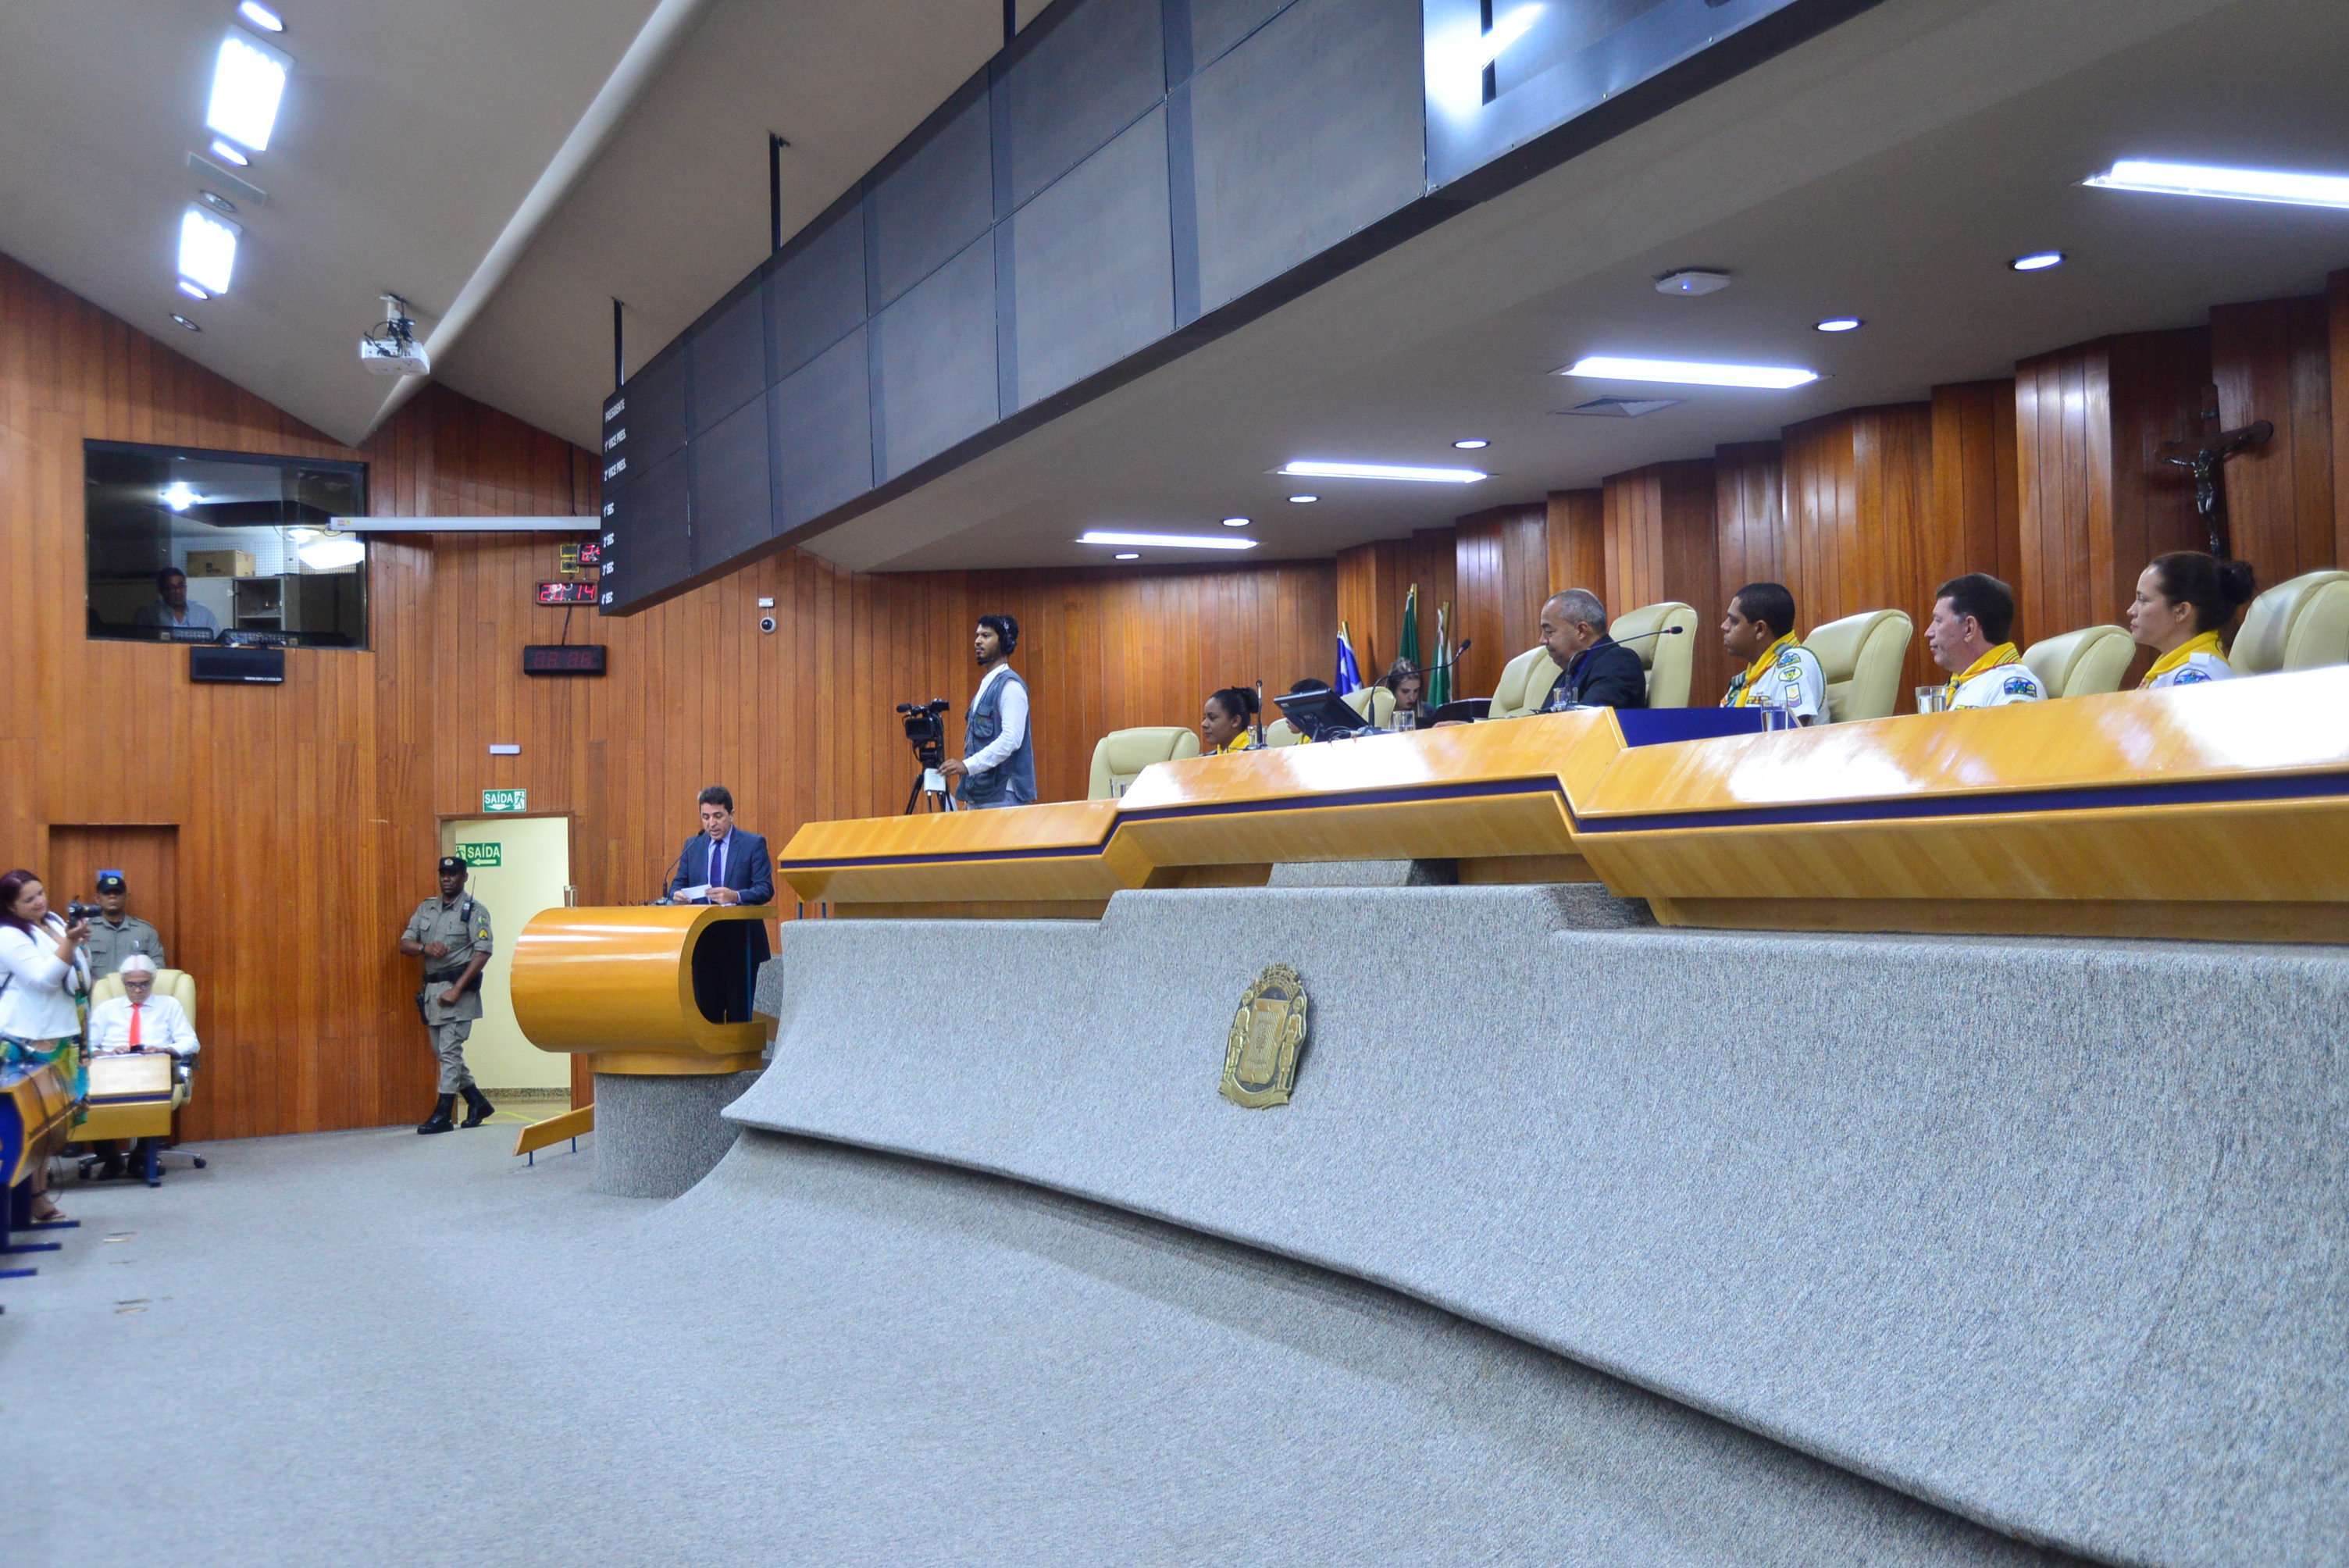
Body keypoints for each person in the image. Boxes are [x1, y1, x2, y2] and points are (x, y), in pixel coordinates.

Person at [0, 868, 92, 1223]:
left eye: (40, 892)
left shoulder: (52, 920)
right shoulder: (8, 934)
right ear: (10, 906)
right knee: (30, 1123)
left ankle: (36, 1196)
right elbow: (43, 980)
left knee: (55, 1122)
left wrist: (76, 941)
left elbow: (77, 971)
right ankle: (31, 1199)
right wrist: (70, 942)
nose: (40, 901)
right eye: (29, 899)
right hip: (28, 1037)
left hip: (65, 1030)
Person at [398, 857, 494, 1135]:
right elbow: (405, 943)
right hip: (433, 993)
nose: (446, 878)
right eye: (443, 873)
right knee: (442, 1052)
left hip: (459, 990)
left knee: (450, 1052)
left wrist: (457, 989)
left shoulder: (475, 910)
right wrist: (425, 948)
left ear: (464, 877)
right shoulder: (427, 908)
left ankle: (443, 1114)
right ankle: (477, 1102)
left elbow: (483, 952)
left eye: (453, 874)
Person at [84, 954, 200, 1180]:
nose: (138, 990)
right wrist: (104, 1053)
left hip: (154, 1069)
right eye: (131, 985)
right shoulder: (107, 1008)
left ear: (153, 981)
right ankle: (110, 1157)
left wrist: (164, 1049)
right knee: (87, 1092)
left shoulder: (169, 1005)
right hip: (111, 1070)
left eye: (144, 984)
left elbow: (191, 1042)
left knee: (154, 1093)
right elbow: (87, 1045)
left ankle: (141, 1157)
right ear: (123, 983)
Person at [666, 786, 775, 1025]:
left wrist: (735, 896)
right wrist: (677, 894)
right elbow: (677, 884)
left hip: (740, 944)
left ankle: (740, 1052)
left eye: (718, 816)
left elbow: (765, 889)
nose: (711, 824)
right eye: (706, 817)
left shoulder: (752, 844)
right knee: (707, 1018)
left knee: (739, 1018)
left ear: (731, 815)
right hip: (703, 943)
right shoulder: (693, 845)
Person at [941, 614, 1035, 808]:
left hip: (1003, 797)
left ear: (1005, 642)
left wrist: (967, 766)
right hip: (981, 796)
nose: (978, 641)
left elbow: (1011, 739)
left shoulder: (1011, 686)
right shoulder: (987, 685)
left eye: (986, 635)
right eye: (977, 635)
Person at [2129, 551, 2256, 688]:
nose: (2131, 611)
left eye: (2143, 599)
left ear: (2181, 611)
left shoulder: (2196, 678)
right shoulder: (2174, 666)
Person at [1925, 573, 2044, 708]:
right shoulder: (1958, 683)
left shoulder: (2012, 686)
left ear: (1969, 628)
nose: (1928, 633)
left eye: (1938, 620)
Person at [1719, 582, 1827, 725]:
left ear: (1760, 629)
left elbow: (1789, 730)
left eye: (1734, 621)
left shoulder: (1794, 664)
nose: (1724, 626)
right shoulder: (1746, 681)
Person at [1538, 589, 1648, 711]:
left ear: (1581, 631)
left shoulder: (1619, 663)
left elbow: (1589, 719)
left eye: (1549, 632)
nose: (1542, 640)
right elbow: (1541, 718)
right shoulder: (1568, 673)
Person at [83, 871, 166, 978]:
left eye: (117, 893)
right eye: (107, 893)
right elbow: (77, 968)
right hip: (97, 988)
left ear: (126, 897)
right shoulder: (84, 931)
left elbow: (158, 968)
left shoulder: (146, 931)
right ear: (97, 899)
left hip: (136, 988)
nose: (112, 897)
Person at [132, 567, 221, 635]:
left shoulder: (202, 612)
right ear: (161, 590)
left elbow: (218, 642)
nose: (177, 591)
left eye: (181, 586)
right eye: (171, 587)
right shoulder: (148, 613)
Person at [1200, 688, 1258, 754]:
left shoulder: (1254, 755)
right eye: (1204, 718)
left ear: (1235, 721)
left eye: (1212, 718)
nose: (1203, 724)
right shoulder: (1210, 756)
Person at [1381, 661, 1428, 726]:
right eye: (1405, 691)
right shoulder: (1378, 713)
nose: (1412, 697)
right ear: (1392, 690)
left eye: (1416, 691)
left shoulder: (1427, 711)